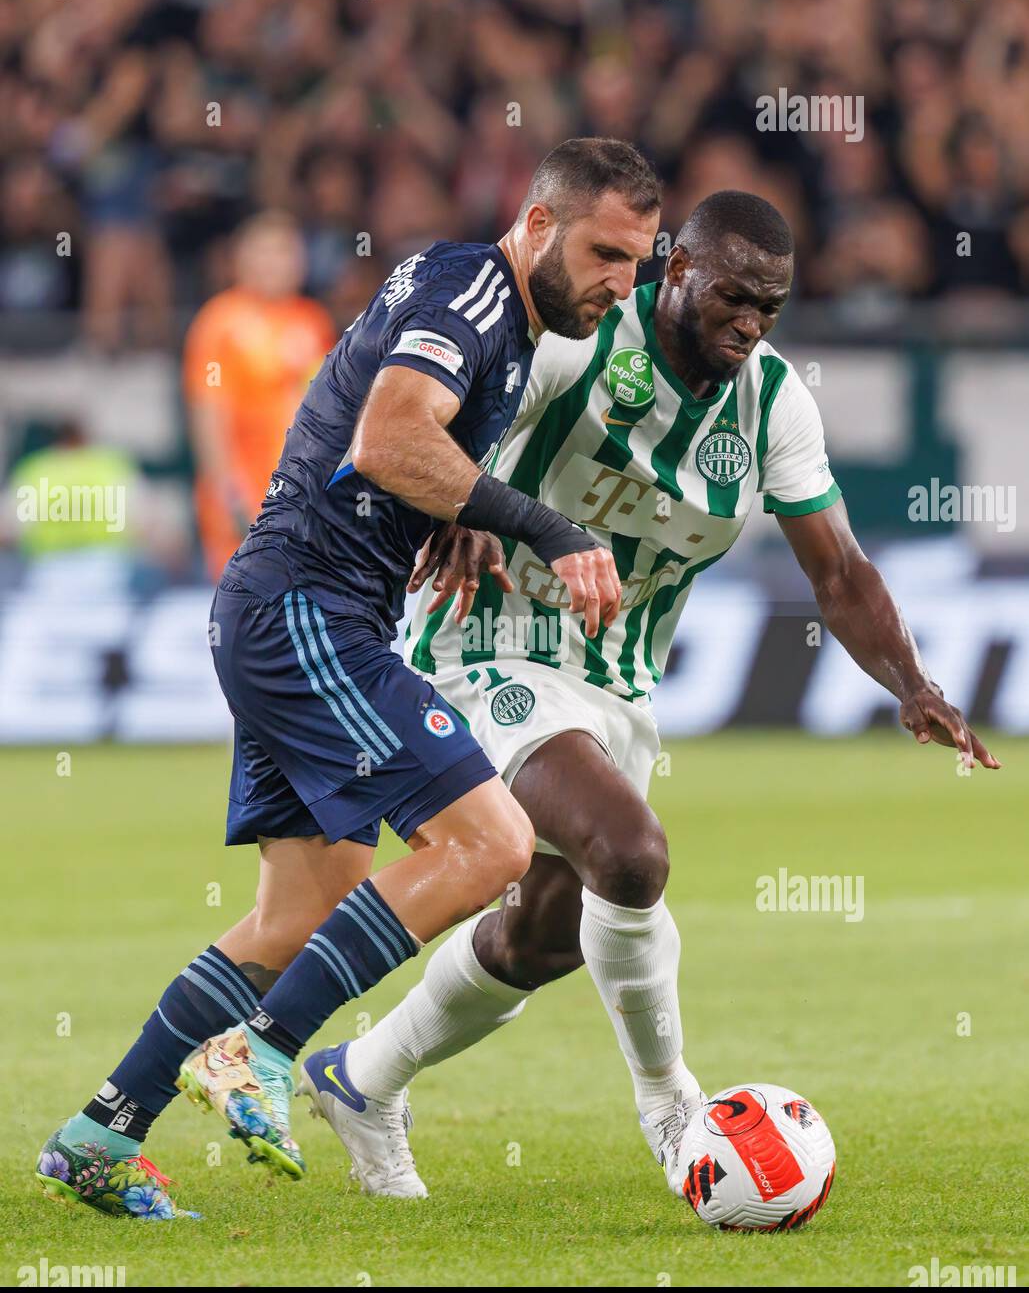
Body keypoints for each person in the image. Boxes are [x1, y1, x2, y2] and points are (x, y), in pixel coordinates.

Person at [293, 191, 1001, 1199]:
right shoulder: (579, 345)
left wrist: (914, 683)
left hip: (618, 687)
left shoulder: (771, 405)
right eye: (735, 295)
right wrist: (462, 506)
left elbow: (838, 573)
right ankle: (674, 1108)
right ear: (678, 270)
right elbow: (433, 434)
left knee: (543, 933)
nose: (752, 322)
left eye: (772, 306)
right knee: (631, 853)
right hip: (489, 652)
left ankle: (361, 1078)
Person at [35, 138, 659, 1220]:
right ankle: (264, 1054)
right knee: (493, 844)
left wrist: (460, 517)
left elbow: (412, 443)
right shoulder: (475, 285)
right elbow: (386, 439)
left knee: (300, 914)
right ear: (543, 223)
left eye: (641, 266)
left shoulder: (494, 313)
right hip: (307, 606)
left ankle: (100, 1132)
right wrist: (543, 528)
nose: (622, 285)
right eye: (608, 254)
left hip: (295, 607)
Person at [182, 211, 337, 581]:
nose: (274, 263)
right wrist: (228, 496)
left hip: (305, 500)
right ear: (240, 259)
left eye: (284, 252)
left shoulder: (312, 320)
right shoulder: (220, 322)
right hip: (244, 498)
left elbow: (329, 411)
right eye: (263, 252)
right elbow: (208, 413)